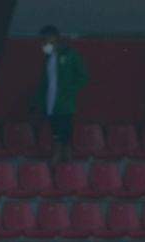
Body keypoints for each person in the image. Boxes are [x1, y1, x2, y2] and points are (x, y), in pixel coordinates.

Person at [32, 25, 89, 161]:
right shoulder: (48, 59)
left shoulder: (70, 55)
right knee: (55, 134)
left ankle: (65, 165)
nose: (45, 44)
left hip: (65, 104)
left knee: (65, 138)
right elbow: (45, 84)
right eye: (43, 41)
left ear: (56, 39)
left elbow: (83, 77)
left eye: (47, 41)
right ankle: (58, 164)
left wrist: (70, 91)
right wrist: (39, 103)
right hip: (50, 105)